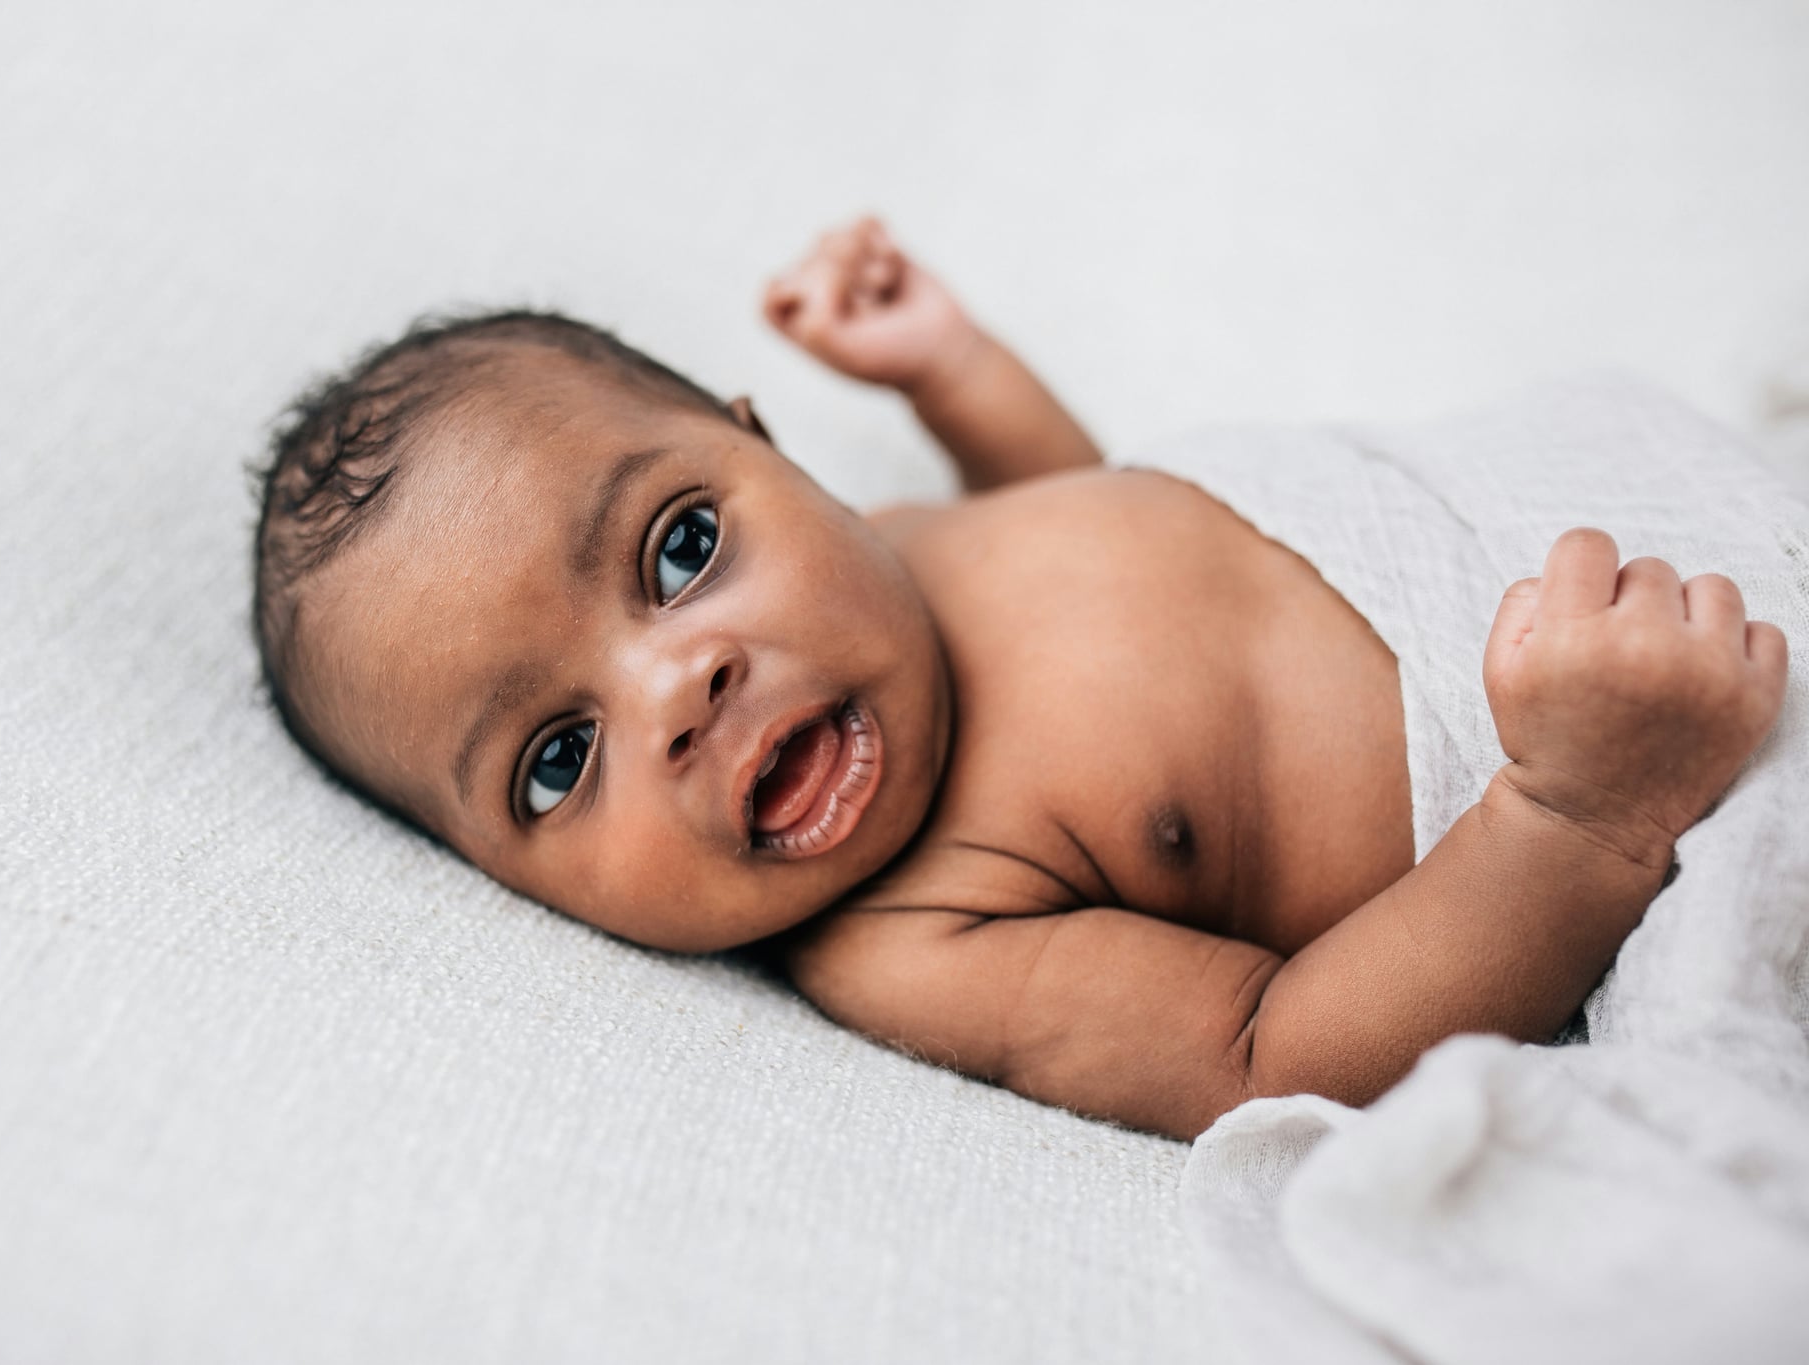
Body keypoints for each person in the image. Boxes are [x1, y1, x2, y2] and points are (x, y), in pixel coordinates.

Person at [251, 217, 1787, 1140]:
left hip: (1554, 518)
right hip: (1585, 790)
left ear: (764, 445)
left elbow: (1083, 509)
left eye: (679, 546)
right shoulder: (912, 938)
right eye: (555, 760)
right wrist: (1581, 816)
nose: (678, 687)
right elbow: (1278, 1052)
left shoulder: (900, 550)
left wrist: (954, 372)